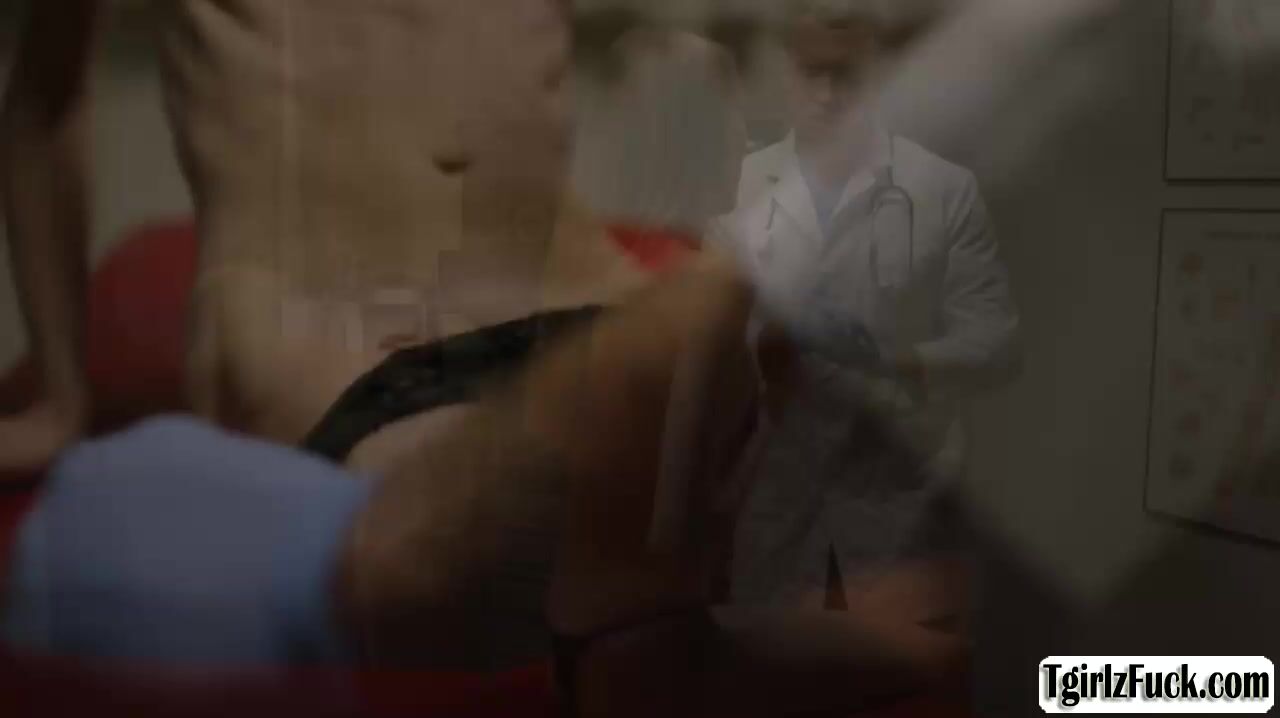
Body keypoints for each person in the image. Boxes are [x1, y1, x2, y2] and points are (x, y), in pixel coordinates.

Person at [0, 1, 962, 715]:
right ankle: (657, 642)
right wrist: (62, 391)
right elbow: (44, 98)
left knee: (944, 530)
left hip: (588, 292)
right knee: (579, 537)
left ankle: (662, 636)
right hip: (345, 341)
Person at [720, 0, 1021, 625]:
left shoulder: (946, 190)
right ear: (788, 71)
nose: (827, 95)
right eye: (812, 72)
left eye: (846, 75)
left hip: (898, 502)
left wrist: (898, 360)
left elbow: (994, 343)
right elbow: (719, 345)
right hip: (780, 501)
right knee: (772, 657)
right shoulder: (750, 187)